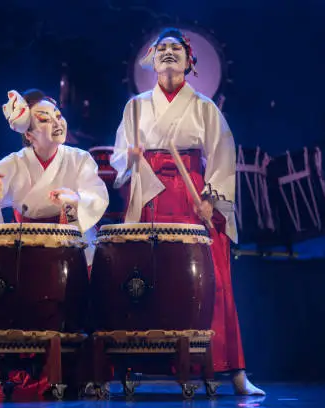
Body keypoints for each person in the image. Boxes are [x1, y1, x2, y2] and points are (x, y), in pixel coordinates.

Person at [110, 27, 264, 396]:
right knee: (145, 277)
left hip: (191, 194)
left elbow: (224, 156)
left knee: (211, 278)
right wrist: (128, 160)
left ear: (189, 61)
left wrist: (210, 199)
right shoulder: (135, 106)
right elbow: (118, 157)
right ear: (152, 60)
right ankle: (142, 363)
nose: (167, 53)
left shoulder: (204, 108)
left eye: (175, 48)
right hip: (148, 195)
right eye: (161, 48)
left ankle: (233, 370)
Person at [0, 88, 109, 396]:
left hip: (69, 252)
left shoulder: (80, 160)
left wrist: (73, 201)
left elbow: (95, 197)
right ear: (28, 135)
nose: (56, 123)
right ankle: (0, 368)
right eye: (44, 120)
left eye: (58, 115)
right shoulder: (15, 163)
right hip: (25, 256)